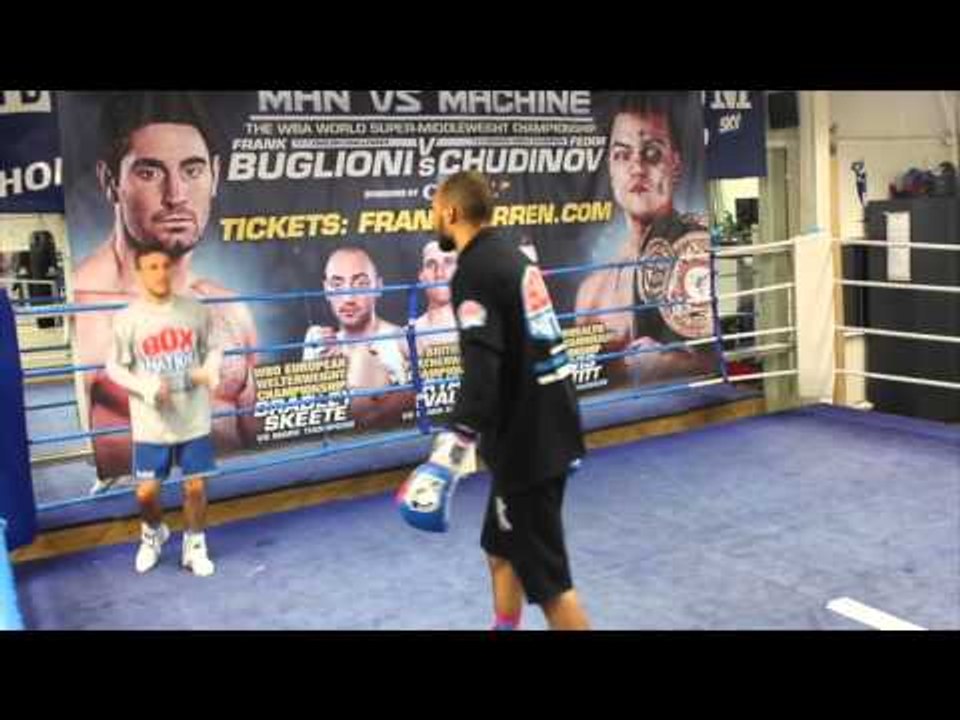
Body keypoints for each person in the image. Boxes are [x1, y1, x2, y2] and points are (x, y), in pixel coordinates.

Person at [397, 171, 590, 630]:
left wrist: (447, 456)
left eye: (434, 211)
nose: (432, 220)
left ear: (451, 212)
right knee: (499, 551)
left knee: (550, 587)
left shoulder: (477, 271)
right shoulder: (509, 257)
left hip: (530, 447)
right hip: (540, 432)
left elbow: (483, 372)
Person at [72, 92, 259, 492]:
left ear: (215, 175)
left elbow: (249, 420)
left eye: (192, 170)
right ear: (111, 182)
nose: (176, 194)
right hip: (137, 496)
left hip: (217, 492)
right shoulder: (91, 306)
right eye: (150, 172)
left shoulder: (226, 303)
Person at [575, 94, 718, 385]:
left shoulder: (693, 253)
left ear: (675, 165)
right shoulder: (592, 291)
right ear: (611, 170)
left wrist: (674, 364)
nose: (637, 168)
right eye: (622, 155)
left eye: (651, 153)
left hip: (691, 418)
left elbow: (716, 361)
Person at [106, 246, 219, 576]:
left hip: (193, 416)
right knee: (146, 492)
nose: (160, 272)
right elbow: (114, 366)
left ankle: (195, 545)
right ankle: (153, 533)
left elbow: (213, 349)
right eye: (152, 267)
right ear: (139, 273)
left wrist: (209, 370)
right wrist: (145, 387)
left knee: (195, 487)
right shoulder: (128, 319)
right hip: (150, 421)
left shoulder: (195, 311)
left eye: (165, 265)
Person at [302, 245, 414, 429]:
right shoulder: (320, 344)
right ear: (326, 289)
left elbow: (428, 402)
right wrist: (322, 372)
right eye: (337, 285)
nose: (348, 298)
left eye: (360, 283)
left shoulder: (400, 340)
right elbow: (309, 420)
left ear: (378, 286)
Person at [413, 239, 459, 352]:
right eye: (431, 264)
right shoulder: (405, 339)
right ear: (421, 276)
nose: (439, 273)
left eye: (448, 262)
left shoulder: (482, 331)